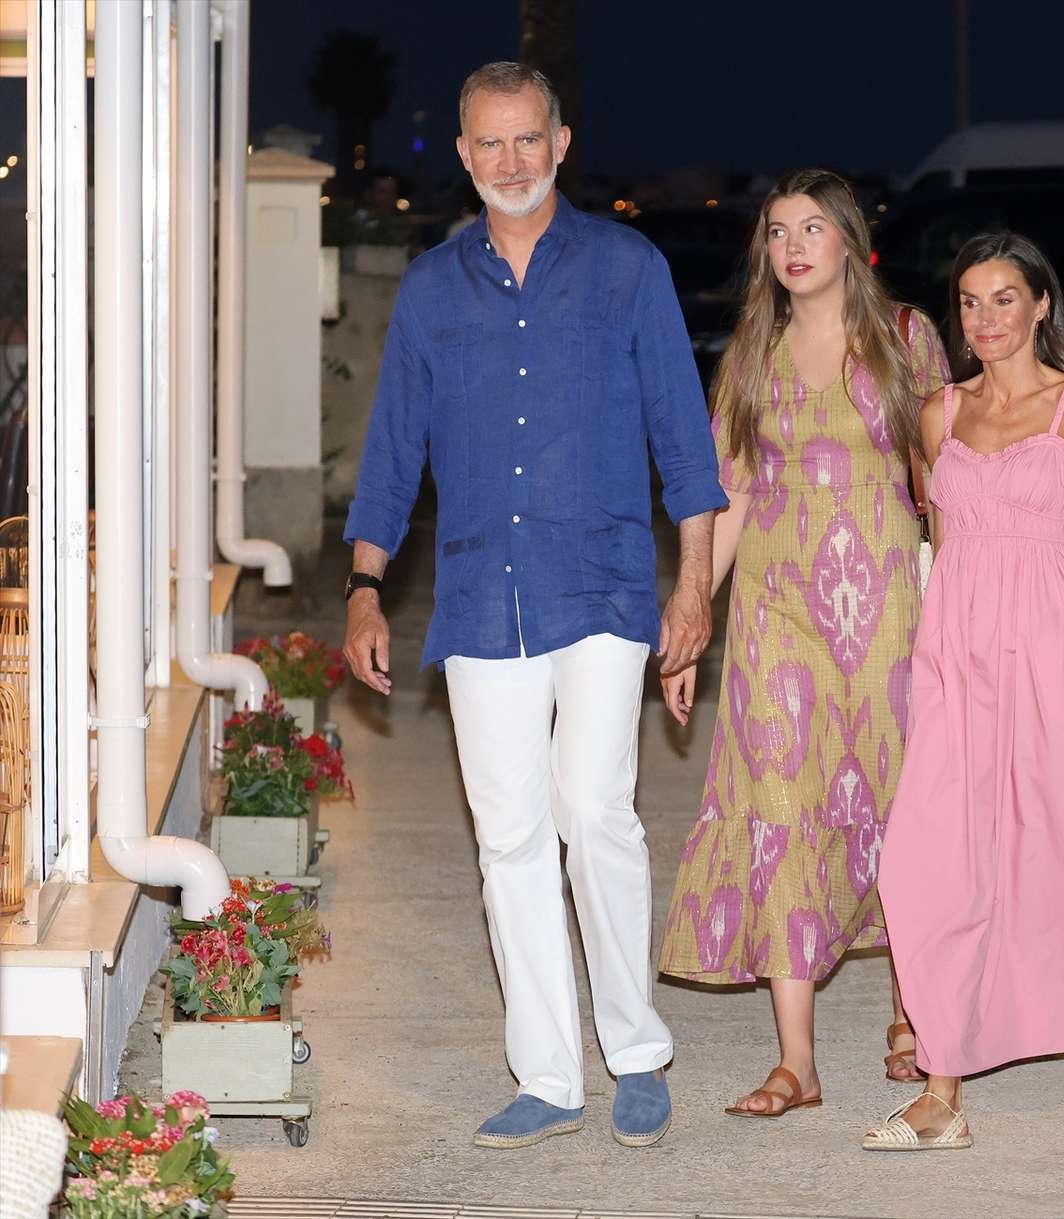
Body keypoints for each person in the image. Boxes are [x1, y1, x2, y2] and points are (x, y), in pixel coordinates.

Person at [341, 62, 726, 1151]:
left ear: (561, 142)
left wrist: (693, 585)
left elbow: (684, 449)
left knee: (595, 813)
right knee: (508, 837)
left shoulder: (627, 268)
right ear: (463, 156)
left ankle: (637, 1051)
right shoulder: (430, 288)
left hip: (601, 583)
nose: (509, 162)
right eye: (488, 145)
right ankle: (549, 1073)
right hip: (475, 592)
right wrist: (366, 587)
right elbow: (390, 459)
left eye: (528, 141)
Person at [867, 233, 1064, 1152]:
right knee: (939, 858)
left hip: (1057, 651)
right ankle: (943, 1085)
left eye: (1004, 299)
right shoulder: (936, 412)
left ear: (1042, 305)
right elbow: (943, 538)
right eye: (969, 302)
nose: (985, 319)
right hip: (959, 653)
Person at [656, 168, 949, 1117]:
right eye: (778, 230)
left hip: (891, 614)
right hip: (778, 613)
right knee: (778, 801)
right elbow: (729, 490)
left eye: (812, 227)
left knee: (902, 806)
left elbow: (942, 479)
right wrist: (694, 611)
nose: (793, 245)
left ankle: (916, 1010)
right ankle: (797, 1062)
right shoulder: (752, 352)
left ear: (849, 240)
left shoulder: (906, 341)